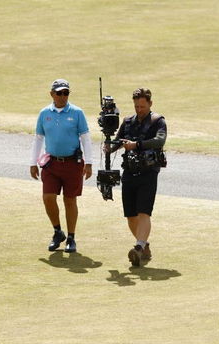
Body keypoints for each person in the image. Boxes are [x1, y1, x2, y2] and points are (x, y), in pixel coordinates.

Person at [105, 88, 167, 267]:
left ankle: (138, 248)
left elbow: (159, 141)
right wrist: (111, 147)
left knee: (144, 212)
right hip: (129, 172)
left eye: (142, 106)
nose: (139, 109)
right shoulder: (128, 121)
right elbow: (119, 140)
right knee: (131, 216)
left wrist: (137, 144)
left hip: (148, 172)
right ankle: (144, 244)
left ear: (150, 104)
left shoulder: (158, 121)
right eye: (136, 106)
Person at [30, 79, 93, 253]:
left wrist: (88, 163)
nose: (63, 96)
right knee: (48, 198)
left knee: (69, 200)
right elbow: (38, 139)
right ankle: (58, 232)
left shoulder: (77, 112)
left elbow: (86, 138)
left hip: (73, 164)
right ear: (52, 94)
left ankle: (71, 237)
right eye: (59, 93)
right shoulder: (44, 113)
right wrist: (32, 163)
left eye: (66, 93)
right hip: (51, 163)